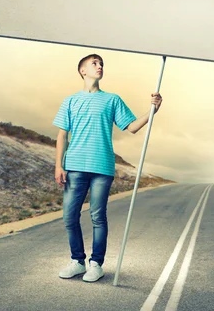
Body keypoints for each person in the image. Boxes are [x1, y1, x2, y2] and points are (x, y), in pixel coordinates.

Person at [53, 53, 163, 282]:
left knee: (97, 216)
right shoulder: (70, 101)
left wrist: (153, 110)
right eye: (94, 63)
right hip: (74, 166)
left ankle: (96, 264)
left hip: (102, 167)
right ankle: (77, 261)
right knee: (69, 217)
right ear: (83, 70)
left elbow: (131, 127)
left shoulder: (112, 99)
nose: (99, 66)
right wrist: (59, 166)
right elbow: (62, 135)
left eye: (101, 64)